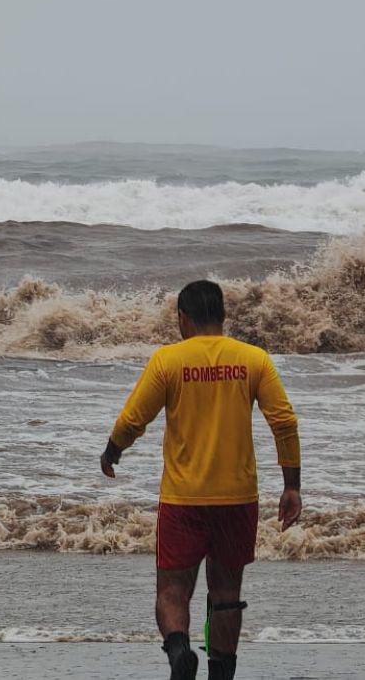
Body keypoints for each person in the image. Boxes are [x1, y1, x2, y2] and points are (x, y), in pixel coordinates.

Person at [100, 280, 301, 680]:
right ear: (223, 317)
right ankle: (220, 675)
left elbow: (133, 420)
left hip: (183, 499)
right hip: (237, 497)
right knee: (226, 594)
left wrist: (113, 451)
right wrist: (291, 484)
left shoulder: (168, 361)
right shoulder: (253, 359)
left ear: (183, 318)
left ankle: (179, 652)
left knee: (173, 590)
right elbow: (284, 421)